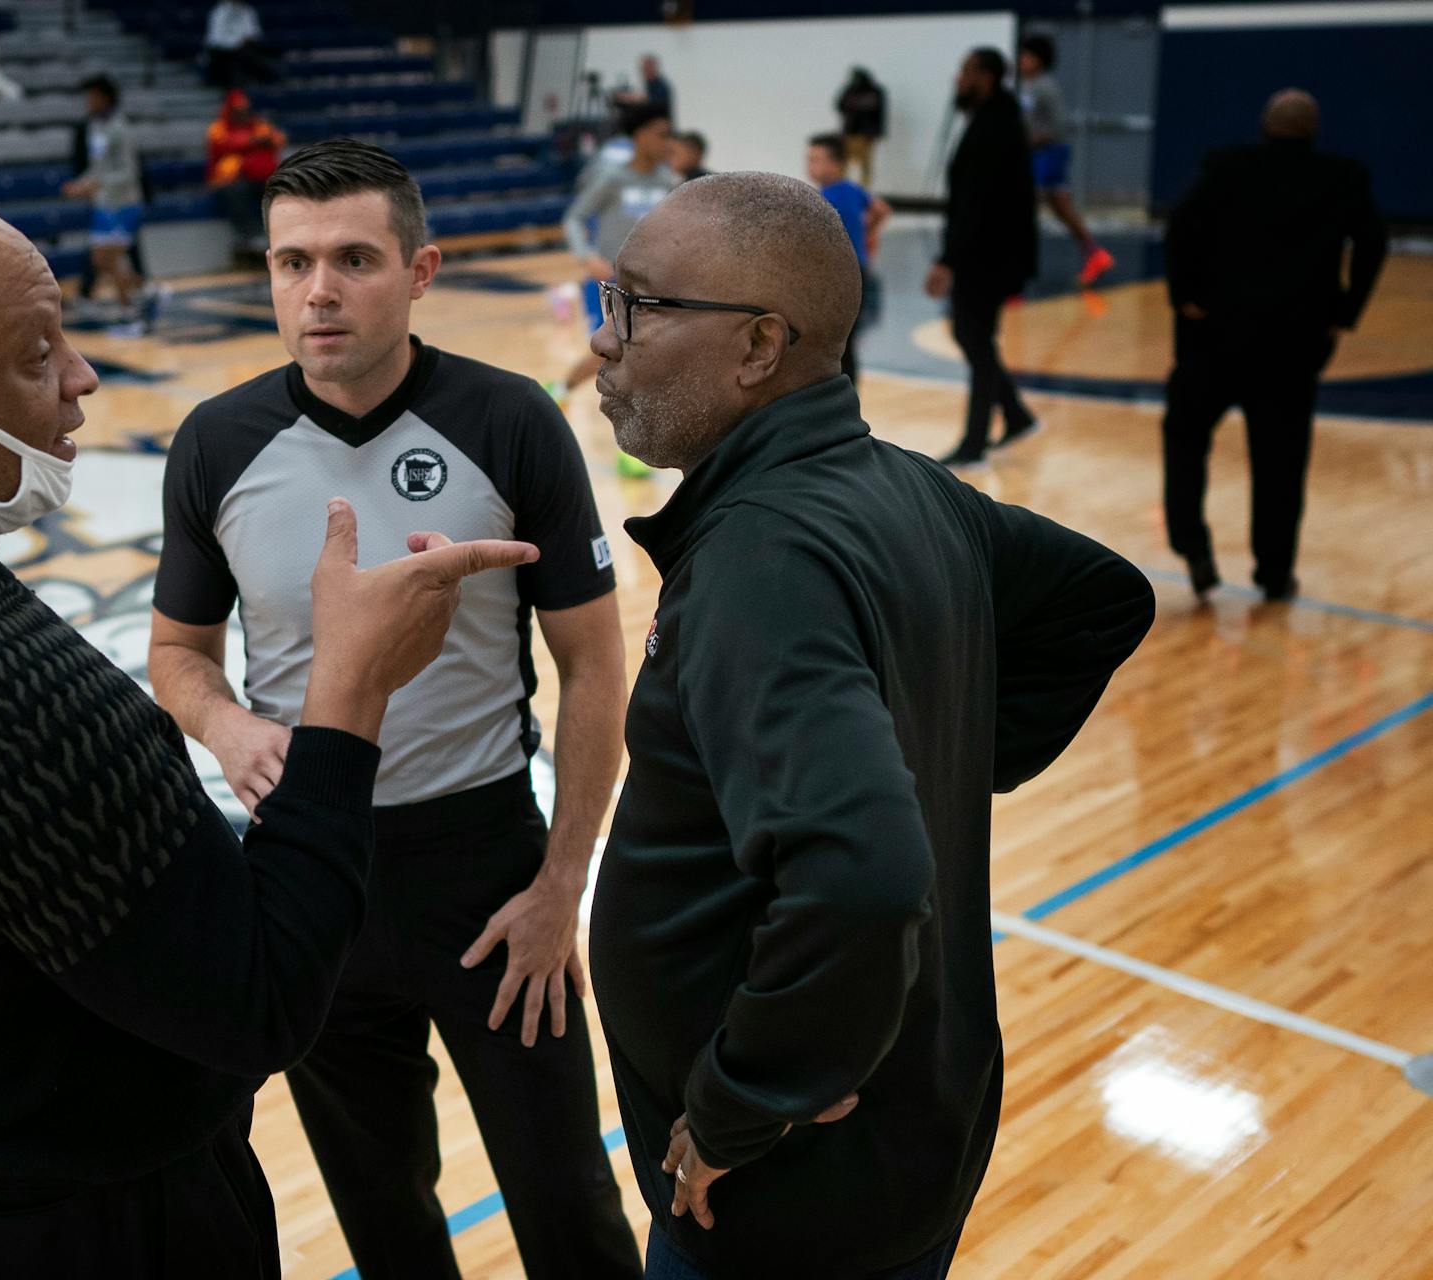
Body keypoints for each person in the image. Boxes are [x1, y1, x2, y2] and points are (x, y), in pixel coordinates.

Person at [0, 187, 537, 1278]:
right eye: (39, 357)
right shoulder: (21, 703)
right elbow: (263, 1000)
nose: (83, 381)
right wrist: (349, 692)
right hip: (103, 1222)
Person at [583, 171, 1154, 1280]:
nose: (606, 341)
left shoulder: (764, 559)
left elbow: (863, 874)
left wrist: (747, 1100)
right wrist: (940, 750)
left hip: (785, 1194)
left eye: (639, 306)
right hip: (911, 1133)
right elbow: (1101, 596)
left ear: (758, 346)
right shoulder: (907, 485)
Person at [149, 137, 640, 1280]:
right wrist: (226, 726)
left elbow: (597, 667)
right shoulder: (217, 442)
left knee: (569, 1200)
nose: (318, 290)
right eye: (291, 262)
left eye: (354, 258)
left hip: (490, 866)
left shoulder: (511, 418)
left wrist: (562, 882)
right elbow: (178, 651)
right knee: (383, 1210)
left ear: (421, 271)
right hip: (310, 871)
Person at [1161, 88, 1387, 604]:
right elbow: (1374, 243)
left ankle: (1193, 548)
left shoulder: (1225, 166)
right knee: (1281, 464)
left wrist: (1186, 297)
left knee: (1185, 439)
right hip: (1292, 346)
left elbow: (1181, 226)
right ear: (1313, 131)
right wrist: (1343, 315)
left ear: (1265, 124)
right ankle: (1274, 573)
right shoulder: (1342, 177)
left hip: (1213, 337)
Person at [927, 47, 1039, 470]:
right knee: (974, 337)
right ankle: (1015, 414)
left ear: (986, 77)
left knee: (974, 338)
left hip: (987, 255)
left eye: (965, 71)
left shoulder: (993, 127)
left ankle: (974, 444)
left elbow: (977, 203)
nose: (958, 79)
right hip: (992, 253)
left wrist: (948, 260)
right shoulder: (997, 118)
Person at [551, 101, 678, 421]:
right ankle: (561, 389)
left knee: (638, 355)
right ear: (640, 136)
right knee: (610, 353)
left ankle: (633, 433)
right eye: (661, 135)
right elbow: (573, 219)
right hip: (608, 284)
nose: (668, 143)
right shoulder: (611, 178)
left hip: (650, 286)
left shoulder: (669, 182)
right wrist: (586, 256)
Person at [62, 74, 158, 335]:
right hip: (105, 204)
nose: (87, 101)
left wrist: (98, 184)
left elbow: (128, 171)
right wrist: (81, 184)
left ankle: (133, 313)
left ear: (105, 98)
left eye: (92, 96)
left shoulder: (120, 128)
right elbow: (98, 168)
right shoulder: (95, 127)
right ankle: (148, 294)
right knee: (101, 260)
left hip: (123, 203)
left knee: (111, 259)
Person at [1018, 34, 1112, 287]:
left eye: (1026, 56)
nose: (1021, 61)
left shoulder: (1044, 87)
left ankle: (1017, 263)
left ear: (1039, 60)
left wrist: (1033, 140)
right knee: (1061, 208)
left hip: (1049, 153)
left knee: (1024, 206)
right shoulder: (1028, 86)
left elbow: (1059, 125)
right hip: (1044, 153)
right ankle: (1095, 253)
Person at [806, 133, 888, 382]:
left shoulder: (825, 198)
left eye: (816, 159)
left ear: (836, 163)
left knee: (837, 347)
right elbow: (881, 210)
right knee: (846, 345)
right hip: (857, 271)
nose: (810, 166)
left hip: (840, 277)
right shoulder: (853, 190)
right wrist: (867, 233)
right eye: (809, 159)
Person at [203, 88, 282, 255]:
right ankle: (249, 236)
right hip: (228, 181)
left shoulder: (258, 124)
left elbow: (277, 139)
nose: (241, 113)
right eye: (237, 110)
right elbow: (222, 145)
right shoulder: (218, 127)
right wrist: (252, 142)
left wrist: (255, 142)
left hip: (259, 177)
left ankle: (279, 233)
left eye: (244, 109)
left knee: (279, 189)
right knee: (236, 191)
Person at [203, 0, 272, 88]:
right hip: (221, 52)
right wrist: (236, 44)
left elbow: (254, 33)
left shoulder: (248, 11)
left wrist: (243, 42)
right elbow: (215, 39)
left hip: (243, 50)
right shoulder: (219, 12)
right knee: (238, 58)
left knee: (250, 53)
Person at [836, 67, 885, 188]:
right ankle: (843, 187)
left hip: (865, 134)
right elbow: (840, 105)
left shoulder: (873, 92)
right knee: (844, 162)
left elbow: (877, 111)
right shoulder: (850, 90)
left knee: (864, 164)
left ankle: (863, 189)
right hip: (850, 132)